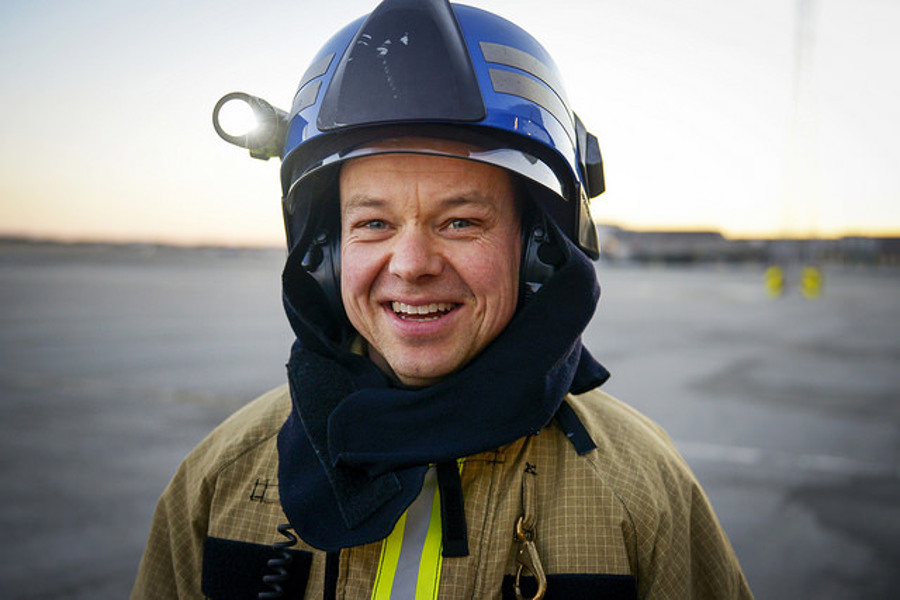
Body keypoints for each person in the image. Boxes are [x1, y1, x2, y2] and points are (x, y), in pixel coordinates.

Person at [132, 0, 753, 598]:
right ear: (324, 256)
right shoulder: (221, 477)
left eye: (460, 222)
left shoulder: (642, 492)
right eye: (373, 224)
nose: (411, 266)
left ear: (538, 250)